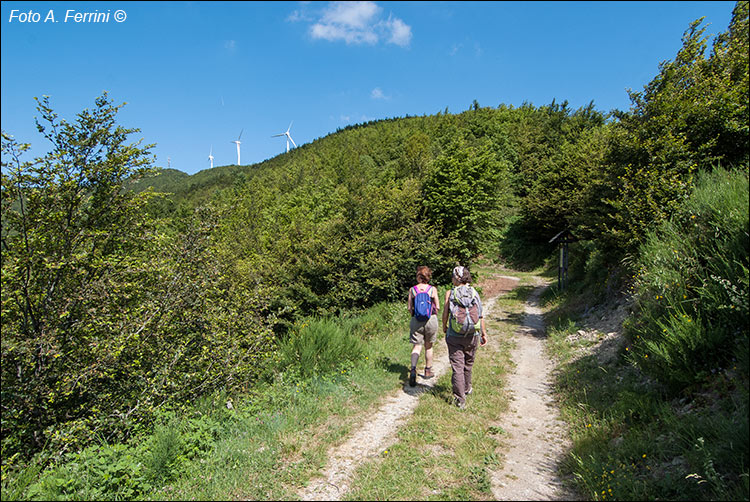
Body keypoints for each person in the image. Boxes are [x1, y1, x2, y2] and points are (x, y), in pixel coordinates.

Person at [442, 265, 487, 408]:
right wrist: (483, 334)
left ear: (456, 278)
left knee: (457, 367)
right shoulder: (474, 292)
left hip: (455, 334)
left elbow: (445, 313)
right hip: (472, 333)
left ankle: (460, 399)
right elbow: (480, 315)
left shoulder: (450, 293)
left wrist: (444, 326)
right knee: (468, 363)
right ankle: (467, 388)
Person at [407, 266, 440, 387]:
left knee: (417, 346)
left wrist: (414, 315)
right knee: (428, 346)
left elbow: (410, 308)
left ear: (418, 276)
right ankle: (427, 370)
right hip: (430, 319)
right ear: (428, 277)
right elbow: (437, 306)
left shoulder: (413, 290)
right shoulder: (432, 289)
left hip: (416, 320)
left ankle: (413, 370)